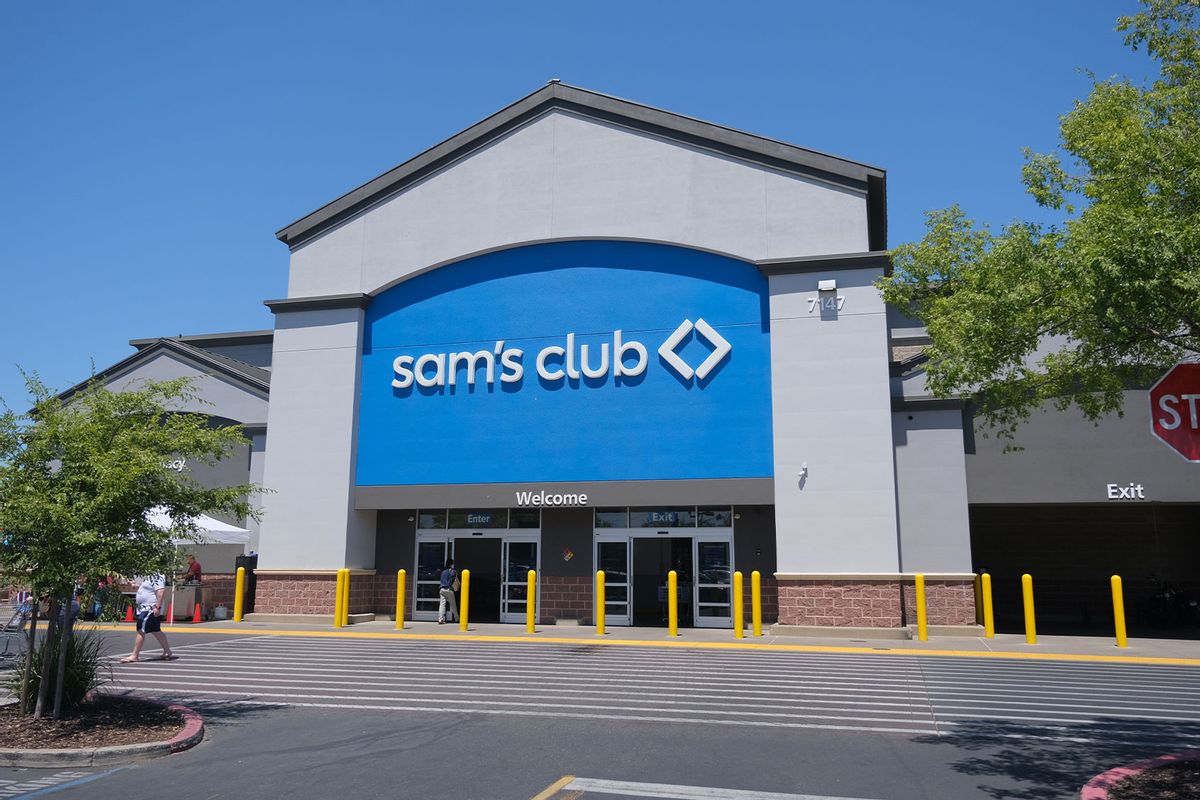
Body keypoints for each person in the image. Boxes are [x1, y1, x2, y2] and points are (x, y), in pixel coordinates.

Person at [121, 574, 174, 662]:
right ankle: (168, 651)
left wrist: (157, 608)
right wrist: (137, 587)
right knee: (155, 630)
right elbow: (148, 590)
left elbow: (160, 591)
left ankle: (135, 655)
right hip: (144, 607)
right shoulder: (147, 575)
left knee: (141, 629)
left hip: (150, 608)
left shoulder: (157, 576)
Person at [437, 558, 458, 625]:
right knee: (453, 605)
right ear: (451, 564)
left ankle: (441, 619)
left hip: (442, 589)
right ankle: (457, 618)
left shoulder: (443, 572)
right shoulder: (452, 571)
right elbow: (454, 580)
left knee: (442, 605)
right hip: (448, 589)